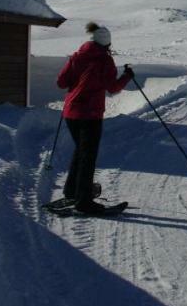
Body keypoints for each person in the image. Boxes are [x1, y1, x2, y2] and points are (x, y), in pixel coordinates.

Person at [56, 22, 134, 214]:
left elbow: (61, 82)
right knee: (87, 157)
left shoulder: (76, 57)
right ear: (106, 43)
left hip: (71, 113)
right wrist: (127, 77)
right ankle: (84, 202)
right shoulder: (104, 60)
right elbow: (112, 88)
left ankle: (72, 191)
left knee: (81, 153)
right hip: (90, 115)